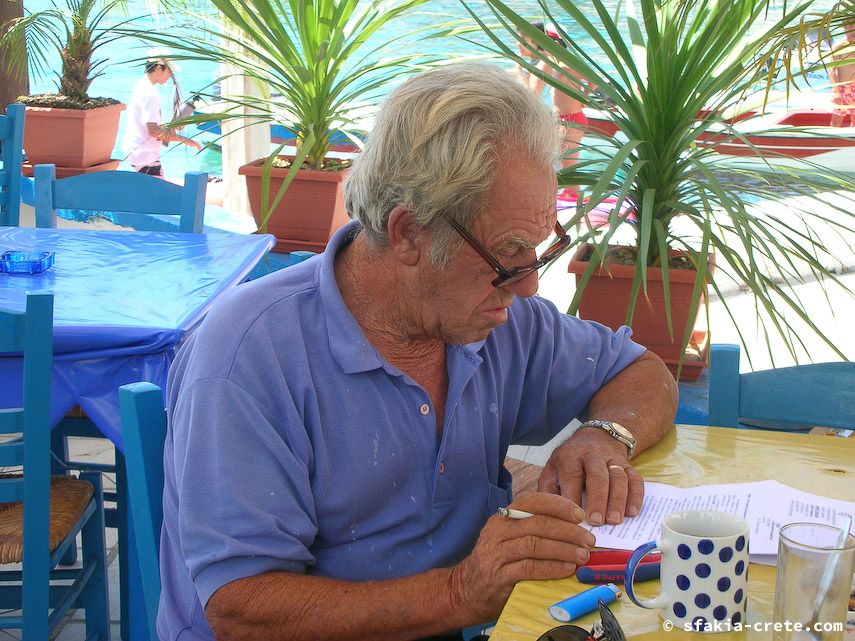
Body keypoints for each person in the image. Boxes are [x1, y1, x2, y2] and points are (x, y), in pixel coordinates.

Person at [159, 62, 677, 641]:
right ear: (408, 233)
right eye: (510, 254)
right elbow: (240, 609)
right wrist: (462, 592)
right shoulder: (249, 356)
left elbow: (641, 372)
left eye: (537, 251)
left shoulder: (492, 317)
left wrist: (605, 435)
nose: (529, 285)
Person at [516, 21, 594, 199]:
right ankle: (569, 198)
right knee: (561, 165)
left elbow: (593, 77)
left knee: (569, 166)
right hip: (562, 119)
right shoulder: (553, 63)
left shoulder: (567, 64)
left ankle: (577, 204)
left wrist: (585, 98)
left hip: (572, 119)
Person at [121, 48, 201, 176]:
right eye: (170, 72)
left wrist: (169, 126)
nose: (170, 76)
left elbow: (148, 124)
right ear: (159, 68)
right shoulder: (150, 94)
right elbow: (154, 132)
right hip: (145, 157)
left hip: (136, 152)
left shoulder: (142, 84)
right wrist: (185, 140)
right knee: (159, 195)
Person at [830, 21, 855, 127]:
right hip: (843, 88)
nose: (850, 30)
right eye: (847, 27)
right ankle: (831, 141)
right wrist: (836, 91)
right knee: (837, 119)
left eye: (853, 26)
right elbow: (831, 69)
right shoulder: (839, 47)